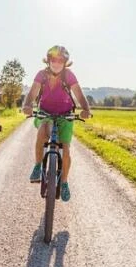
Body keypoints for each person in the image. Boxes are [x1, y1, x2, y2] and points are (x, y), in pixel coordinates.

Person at [21, 45, 91, 201]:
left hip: (65, 115)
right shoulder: (42, 74)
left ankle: (64, 182)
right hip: (45, 112)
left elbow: (79, 94)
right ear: (49, 60)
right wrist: (27, 105)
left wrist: (86, 109)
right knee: (43, 128)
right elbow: (32, 92)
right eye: (53, 59)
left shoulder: (69, 75)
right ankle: (38, 166)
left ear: (65, 62)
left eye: (61, 60)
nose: (57, 63)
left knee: (65, 149)